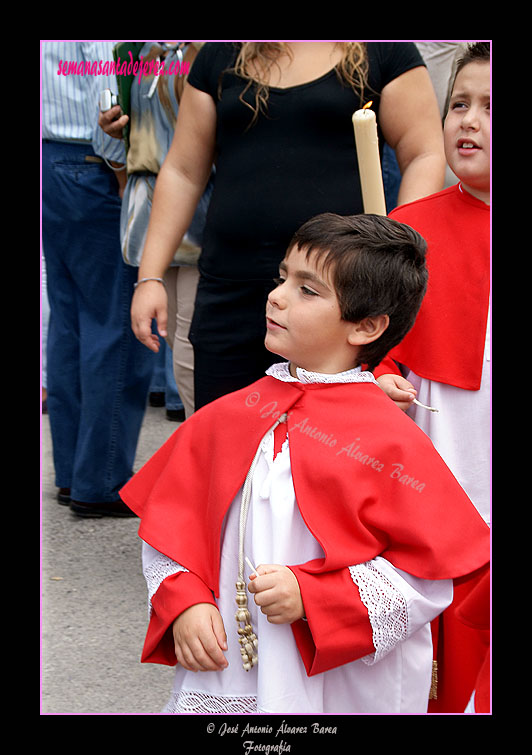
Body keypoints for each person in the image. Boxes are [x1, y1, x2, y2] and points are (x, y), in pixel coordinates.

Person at [120, 213, 489, 715]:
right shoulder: (229, 417)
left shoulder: (391, 442)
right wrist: (184, 602)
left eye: (308, 290)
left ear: (366, 326)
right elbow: (169, 530)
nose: (277, 296)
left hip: (344, 683)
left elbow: (424, 579)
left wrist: (315, 597)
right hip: (233, 669)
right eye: (282, 277)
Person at [130, 41, 447, 410]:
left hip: (336, 298)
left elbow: (422, 150)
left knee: (331, 443)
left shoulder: (383, 51)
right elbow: (183, 170)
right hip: (230, 289)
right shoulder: (221, 53)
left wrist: (394, 252)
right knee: (229, 440)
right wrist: (149, 276)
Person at [372, 42, 491, 712]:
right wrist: (381, 376)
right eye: (459, 105)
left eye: (489, 109)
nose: (467, 120)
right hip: (447, 460)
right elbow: (374, 343)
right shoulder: (410, 232)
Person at [42, 41, 154, 517]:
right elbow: (110, 104)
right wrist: (123, 174)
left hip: (54, 158)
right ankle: (101, 479)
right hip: (96, 165)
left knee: (69, 322)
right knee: (115, 324)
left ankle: (73, 473)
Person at [98, 42, 213, 419]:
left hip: (196, 196)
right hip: (160, 196)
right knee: (182, 329)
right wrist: (112, 130)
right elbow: (110, 138)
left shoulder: (199, 53)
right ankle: (197, 430)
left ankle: (198, 428)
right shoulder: (136, 53)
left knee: (187, 329)